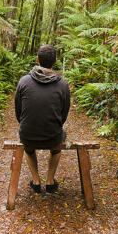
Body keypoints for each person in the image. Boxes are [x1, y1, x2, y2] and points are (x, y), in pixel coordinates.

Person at [14, 44, 70, 194]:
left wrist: (29, 125)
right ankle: (50, 181)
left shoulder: (23, 82)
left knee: (28, 146)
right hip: (53, 136)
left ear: (37, 59)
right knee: (59, 141)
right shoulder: (63, 85)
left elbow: (18, 112)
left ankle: (36, 181)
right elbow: (63, 115)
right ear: (55, 61)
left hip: (28, 135)